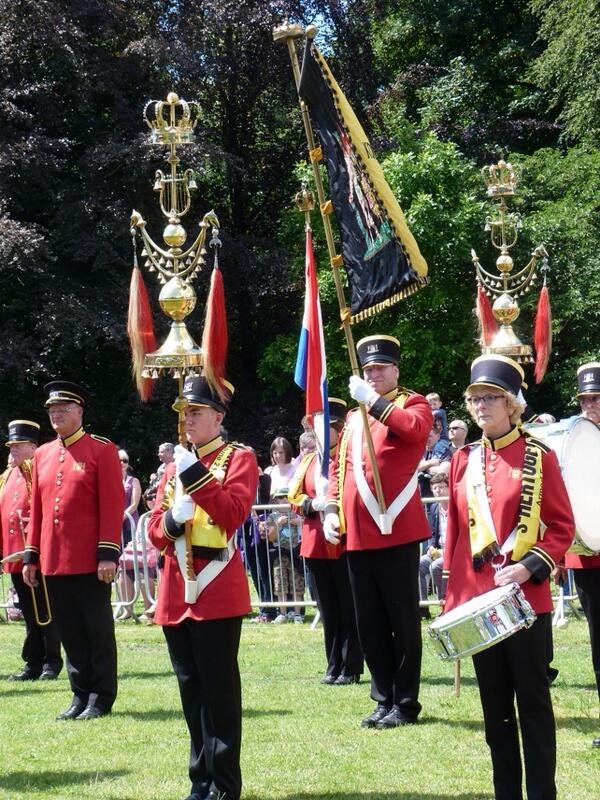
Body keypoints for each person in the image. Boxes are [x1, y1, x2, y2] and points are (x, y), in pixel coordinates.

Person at [442, 355, 575, 800]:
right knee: (494, 710)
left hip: (525, 600)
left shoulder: (540, 455)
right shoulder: (463, 459)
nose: (480, 405)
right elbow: (457, 534)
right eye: (474, 398)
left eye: (490, 398)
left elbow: (561, 526)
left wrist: (531, 565)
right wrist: (453, 600)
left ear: (511, 404)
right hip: (478, 603)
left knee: (533, 704)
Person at [147, 376, 258, 800]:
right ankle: (201, 780)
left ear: (218, 416)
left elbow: (231, 513)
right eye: (184, 413)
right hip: (176, 591)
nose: (188, 420)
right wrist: (173, 519)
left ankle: (226, 784)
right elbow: (157, 528)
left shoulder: (239, 459)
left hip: (216, 590)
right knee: (191, 693)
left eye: (196, 412)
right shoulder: (175, 465)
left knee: (220, 694)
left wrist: (196, 477)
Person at [324, 334, 432, 729]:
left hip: (396, 530)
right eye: (368, 369)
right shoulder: (353, 418)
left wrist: (374, 402)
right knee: (367, 621)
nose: (373, 374)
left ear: (395, 371)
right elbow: (340, 468)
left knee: (402, 620)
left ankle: (405, 702)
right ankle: (382, 696)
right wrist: (333, 509)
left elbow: (414, 431)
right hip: (357, 533)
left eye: (380, 369)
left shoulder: (411, 403)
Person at [23, 380, 123, 720]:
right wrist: (31, 556)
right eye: (52, 410)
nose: (56, 415)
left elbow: (112, 504)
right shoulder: (42, 455)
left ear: (80, 412)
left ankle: (101, 696)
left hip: (90, 561)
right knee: (70, 634)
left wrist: (108, 553)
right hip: (54, 561)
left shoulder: (101, 449)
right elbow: (37, 510)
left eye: (63, 410)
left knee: (97, 632)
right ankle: (79, 694)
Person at [288, 398, 363, 684]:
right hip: (316, 543)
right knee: (327, 609)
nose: (318, 432)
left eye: (324, 426)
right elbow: (294, 496)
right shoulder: (308, 461)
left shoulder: (347, 459)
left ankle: (352, 666)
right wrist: (313, 504)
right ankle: (333, 665)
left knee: (349, 608)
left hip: (344, 542)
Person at [0, 420, 62, 681]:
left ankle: (51, 661)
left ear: (33, 447)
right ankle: (33, 662)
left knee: (44, 612)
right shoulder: (6, 476)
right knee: (28, 613)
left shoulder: (38, 471)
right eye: (11, 446)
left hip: (35, 554)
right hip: (14, 556)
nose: (12, 450)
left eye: (18, 445)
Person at [563, 361, 600, 748]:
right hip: (588, 557)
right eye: (585, 398)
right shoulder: (573, 439)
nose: (590, 404)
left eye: (596, 397)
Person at [266, 487, 304, 624]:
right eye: (280, 497)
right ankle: (282, 613)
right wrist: (277, 525)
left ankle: (297, 614)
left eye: (285, 496)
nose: (283, 500)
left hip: (295, 553)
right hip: (279, 553)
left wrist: (300, 523)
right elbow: (270, 538)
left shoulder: (297, 514)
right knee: (280, 583)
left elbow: (307, 530)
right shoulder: (272, 516)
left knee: (297, 583)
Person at [418, 472, 449, 613]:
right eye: (435, 488)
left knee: (435, 567)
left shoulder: (455, 507)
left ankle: (444, 605)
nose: (438, 491)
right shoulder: (434, 507)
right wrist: (431, 546)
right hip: (439, 551)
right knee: (419, 564)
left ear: (449, 488)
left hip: (453, 552)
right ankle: (423, 610)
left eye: (442, 487)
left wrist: (445, 551)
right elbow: (433, 533)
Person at [119, 448, 141, 548]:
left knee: (129, 553)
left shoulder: (134, 481)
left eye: (125, 460)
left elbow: (134, 504)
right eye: (119, 460)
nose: (122, 463)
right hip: (114, 523)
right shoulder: (110, 480)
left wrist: (122, 517)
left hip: (129, 522)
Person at [143, 441, 174, 507]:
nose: (158, 454)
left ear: (170, 452)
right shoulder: (161, 467)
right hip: (159, 499)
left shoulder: (177, 465)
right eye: (159, 452)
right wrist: (154, 477)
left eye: (161, 452)